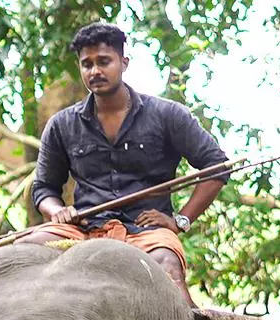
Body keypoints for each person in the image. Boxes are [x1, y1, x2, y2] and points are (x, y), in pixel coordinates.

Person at [22, 21, 230, 301]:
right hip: (82, 230)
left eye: (104, 61)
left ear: (124, 62)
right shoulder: (62, 125)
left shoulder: (167, 115)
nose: (95, 71)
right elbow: (44, 188)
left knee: (168, 270)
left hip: (147, 233)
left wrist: (180, 220)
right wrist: (57, 211)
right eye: (87, 64)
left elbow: (216, 167)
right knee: (23, 250)